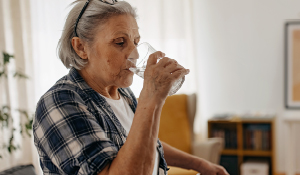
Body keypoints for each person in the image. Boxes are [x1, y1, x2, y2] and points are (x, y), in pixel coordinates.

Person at [33, 0, 229, 175]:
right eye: (120, 42)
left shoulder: (122, 92)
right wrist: (151, 98)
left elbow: (145, 144)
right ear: (81, 48)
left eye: (136, 42)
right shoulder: (60, 102)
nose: (134, 54)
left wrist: (200, 165)